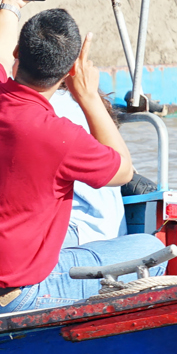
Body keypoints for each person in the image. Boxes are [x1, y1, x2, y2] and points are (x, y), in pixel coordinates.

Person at [0, 0, 161, 322]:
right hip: (13, 299)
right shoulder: (61, 135)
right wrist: (87, 96)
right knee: (152, 247)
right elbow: (123, 168)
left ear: (17, 55)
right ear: (70, 71)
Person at [46, 86, 126, 247]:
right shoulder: (76, 101)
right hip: (103, 227)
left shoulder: (49, 109)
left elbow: (122, 173)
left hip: (81, 229)